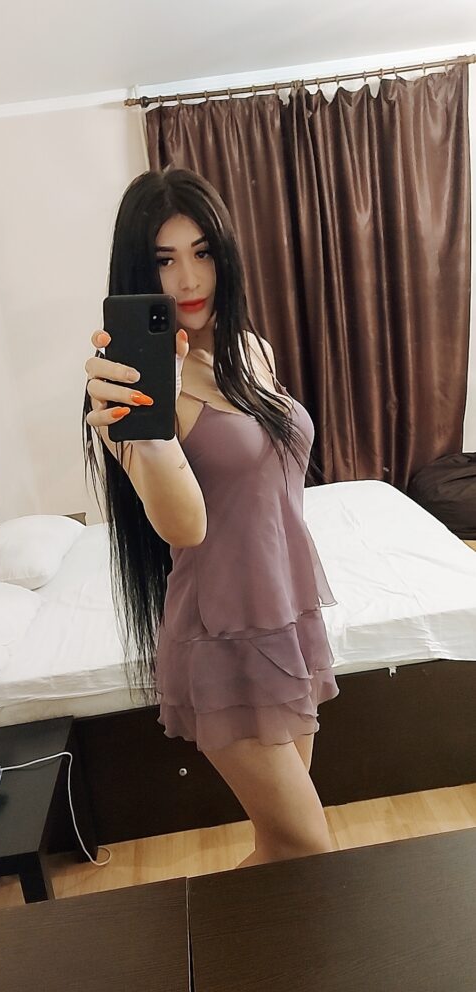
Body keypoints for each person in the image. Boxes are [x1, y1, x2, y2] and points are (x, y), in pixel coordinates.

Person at [83, 166, 340, 867]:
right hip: (222, 637)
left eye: (202, 252)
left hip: (285, 616)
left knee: (284, 848)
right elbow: (185, 527)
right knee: (308, 847)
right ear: (138, 274)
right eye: (164, 261)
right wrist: (150, 425)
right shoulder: (130, 395)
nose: (189, 279)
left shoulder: (251, 351)